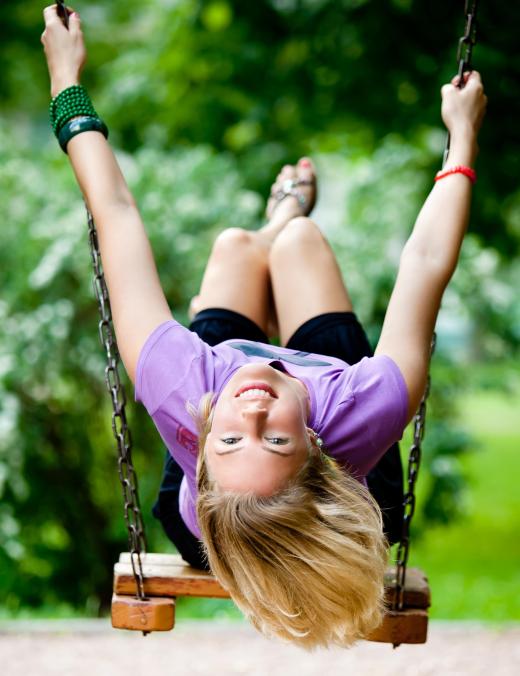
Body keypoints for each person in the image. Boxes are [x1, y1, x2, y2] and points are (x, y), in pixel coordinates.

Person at [41, 5, 487, 648]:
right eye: (273, 442)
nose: (250, 414)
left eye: (229, 443)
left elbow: (115, 215)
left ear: (199, 444)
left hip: (218, 506)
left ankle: (270, 226)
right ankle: (286, 225)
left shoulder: (181, 387)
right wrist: (463, 138)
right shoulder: (363, 409)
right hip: (320, 397)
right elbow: (424, 264)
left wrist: (65, 79)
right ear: (317, 451)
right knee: (302, 243)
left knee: (234, 249)